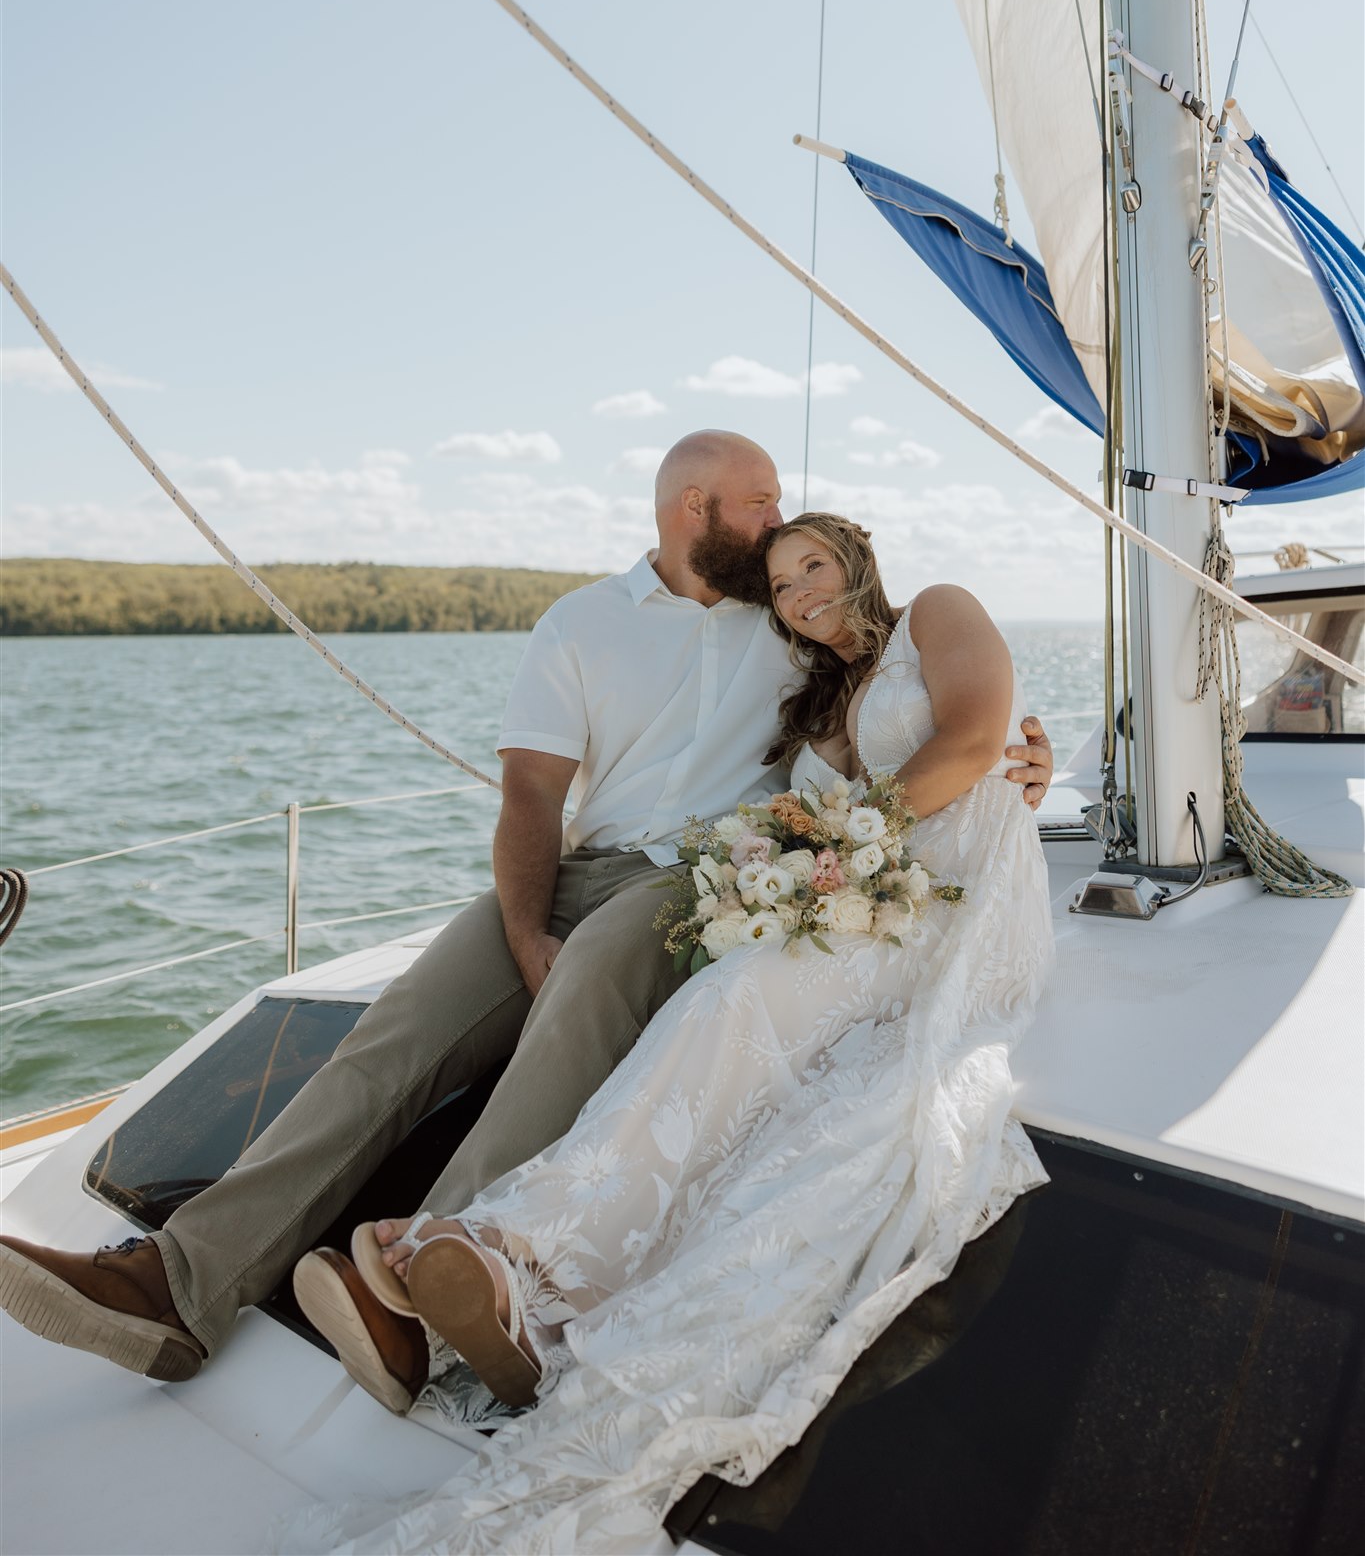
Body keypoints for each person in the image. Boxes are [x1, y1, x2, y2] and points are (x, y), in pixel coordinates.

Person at [0, 442, 1052, 1418]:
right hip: (570, 866)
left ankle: (417, 1291)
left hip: (692, 876)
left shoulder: (792, 626)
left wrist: (1021, 757)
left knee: (582, 996)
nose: (780, 532)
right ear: (695, 507)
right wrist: (519, 930)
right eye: (760, 503)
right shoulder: (583, 622)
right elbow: (530, 797)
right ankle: (178, 1283)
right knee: (395, 1032)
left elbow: (908, 701)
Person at [280, 512, 1055, 1555]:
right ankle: (520, 1272)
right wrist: (800, 858)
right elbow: (814, 808)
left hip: (959, 908)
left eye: (812, 566)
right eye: (781, 587)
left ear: (858, 556)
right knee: (711, 1007)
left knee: (730, 1006)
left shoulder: (939, 612)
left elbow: (970, 738)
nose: (800, 595)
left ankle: (522, 1265)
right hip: (870, 897)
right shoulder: (827, 697)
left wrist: (857, 834)